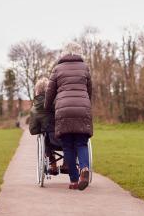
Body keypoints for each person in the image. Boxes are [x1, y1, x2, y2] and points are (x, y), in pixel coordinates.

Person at [44, 42, 93, 190]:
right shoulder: (85, 68)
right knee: (81, 143)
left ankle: (74, 181)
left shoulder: (57, 69)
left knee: (68, 146)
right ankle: (84, 168)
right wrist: (86, 103)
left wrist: (47, 107)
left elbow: (50, 92)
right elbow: (90, 90)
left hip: (63, 111)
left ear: (63, 54)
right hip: (83, 110)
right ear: (79, 53)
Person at [29, 77, 68, 175]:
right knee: (69, 137)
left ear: (37, 91)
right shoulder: (61, 102)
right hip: (67, 138)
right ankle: (67, 163)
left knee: (45, 136)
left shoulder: (35, 109)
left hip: (51, 141)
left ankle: (53, 165)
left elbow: (33, 130)